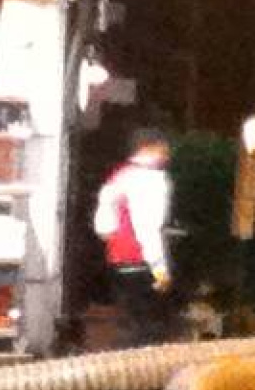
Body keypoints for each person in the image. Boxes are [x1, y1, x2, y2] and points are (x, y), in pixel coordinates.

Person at [93, 127, 173, 347]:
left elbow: (103, 225)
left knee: (127, 319)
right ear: (148, 148)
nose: (166, 156)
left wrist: (114, 239)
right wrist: (160, 270)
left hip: (118, 257)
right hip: (141, 259)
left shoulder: (120, 176)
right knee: (146, 326)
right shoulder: (151, 179)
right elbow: (148, 227)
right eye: (162, 150)